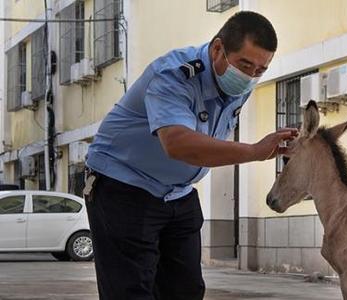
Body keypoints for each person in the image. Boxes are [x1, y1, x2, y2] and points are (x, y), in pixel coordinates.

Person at [85, 11, 297, 300]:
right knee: (131, 290)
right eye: (245, 64)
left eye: (260, 70)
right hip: (123, 187)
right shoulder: (173, 74)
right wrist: (253, 151)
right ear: (217, 49)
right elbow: (178, 144)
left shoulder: (238, 86)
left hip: (178, 193)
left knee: (185, 290)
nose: (250, 77)